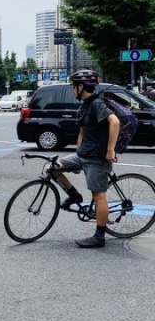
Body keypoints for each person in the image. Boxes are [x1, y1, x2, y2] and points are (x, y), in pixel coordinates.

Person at [48, 69, 120, 248]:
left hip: (97, 158)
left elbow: (115, 122)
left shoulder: (97, 104)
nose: (72, 90)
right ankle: (75, 196)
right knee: (52, 168)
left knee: (98, 195)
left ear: (81, 87)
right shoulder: (84, 106)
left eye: (74, 86)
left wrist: (110, 150)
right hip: (83, 155)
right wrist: (77, 156)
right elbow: (82, 132)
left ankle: (99, 237)